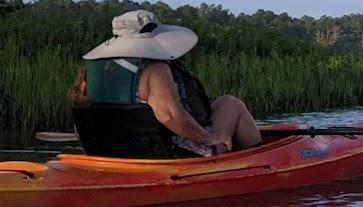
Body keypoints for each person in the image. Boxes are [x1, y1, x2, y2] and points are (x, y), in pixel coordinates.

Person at [75, 9, 262, 156]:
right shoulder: (155, 70)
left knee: (222, 104)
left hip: (109, 153)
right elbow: (169, 116)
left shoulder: (91, 72)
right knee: (232, 104)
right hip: (167, 153)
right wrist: (208, 138)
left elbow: (81, 126)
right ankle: (261, 160)